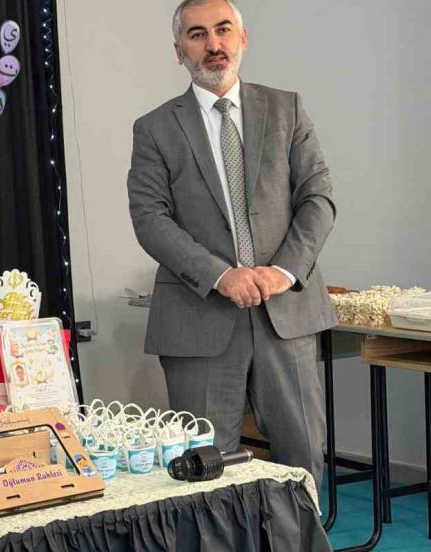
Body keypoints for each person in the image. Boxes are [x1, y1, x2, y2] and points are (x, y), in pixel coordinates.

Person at [127, 0, 337, 486]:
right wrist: (221, 275)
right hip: (198, 316)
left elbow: (318, 198)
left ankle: (295, 532)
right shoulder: (154, 128)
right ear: (179, 51)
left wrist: (282, 271)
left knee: (303, 458)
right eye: (197, 34)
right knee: (206, 469)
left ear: (243, 39)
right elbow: (149, 218)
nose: (213, 44)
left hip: (286, 314)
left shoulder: (287, 109)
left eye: (223, 30)